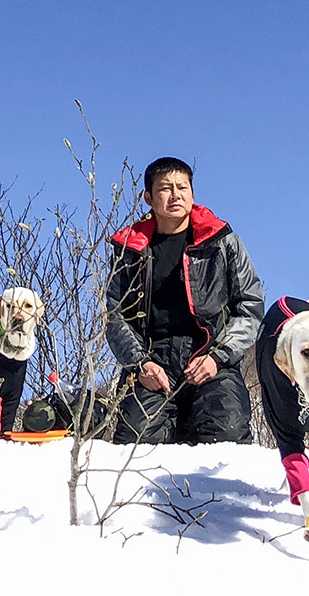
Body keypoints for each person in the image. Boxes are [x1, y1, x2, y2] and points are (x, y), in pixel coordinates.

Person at [106, 157, 263, 444]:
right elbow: (115, 316)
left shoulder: (221, 241)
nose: (176, 194)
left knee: (227, 435)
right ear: (148, 198)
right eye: (166, 188)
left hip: (211, 355)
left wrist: (218, 357)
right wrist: (141, 365)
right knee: (135, 444)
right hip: (152, 361)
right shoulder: (130, 250)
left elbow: (250, 306)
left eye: (183, 187)